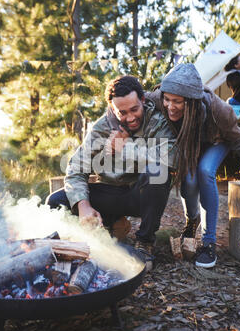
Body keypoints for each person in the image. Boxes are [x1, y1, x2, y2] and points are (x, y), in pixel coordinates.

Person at [46, 75, 177, 269]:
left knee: (158, 171)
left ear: (142, 100)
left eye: (134, 109)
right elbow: (76, 167)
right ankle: (103, 230)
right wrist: (83, 205)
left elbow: (170, 158)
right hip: (109, 192)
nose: (130, 118)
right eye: (122, 112)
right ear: (112, 108)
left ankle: (145, 243)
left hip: (140, 195)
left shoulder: (158, 121)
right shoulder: (101, 127)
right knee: (56, 201)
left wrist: (125, 148)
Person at [147, 63, 240, 268]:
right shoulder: (161, 97)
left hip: (217, 142)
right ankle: (192, 222)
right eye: (167, 99)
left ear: (191, 101)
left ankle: (209, 243)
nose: (170, 106)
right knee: (189, 182)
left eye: (177, 102)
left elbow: (238, 138)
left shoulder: (219, 109)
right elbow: (135, 98)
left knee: (205, 171)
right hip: (191, 145)